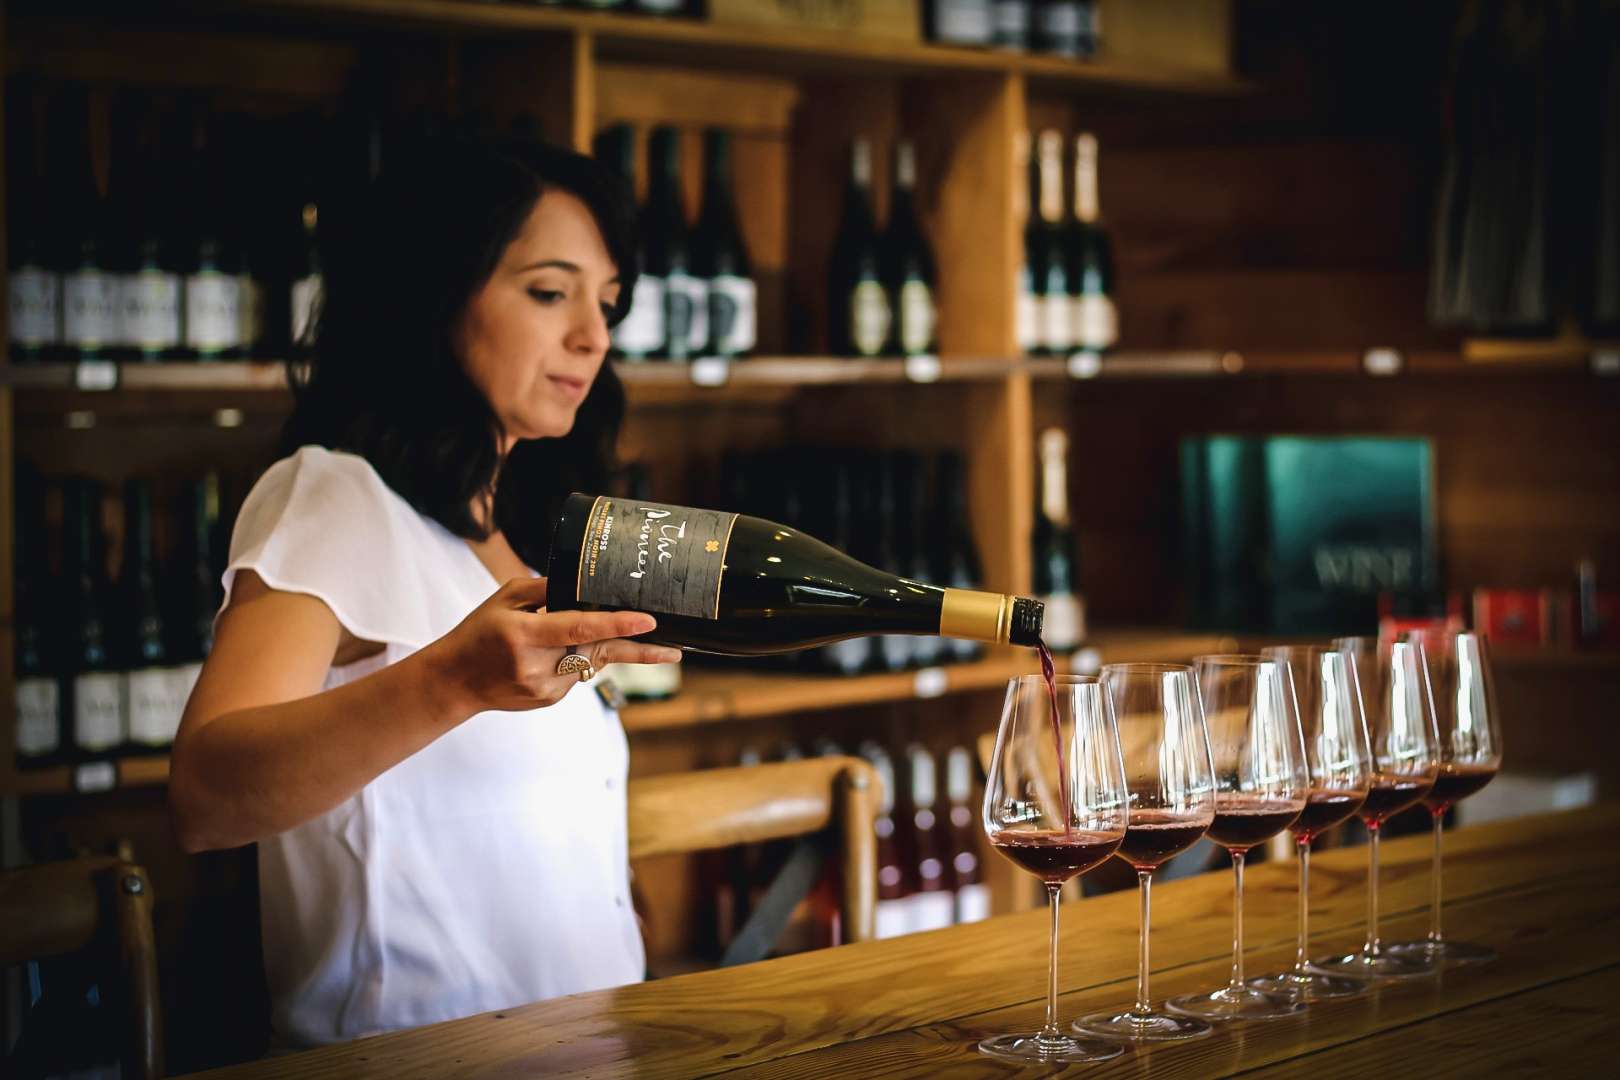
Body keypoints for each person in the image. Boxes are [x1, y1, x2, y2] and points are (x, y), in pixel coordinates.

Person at [167, 136, 682, 1049]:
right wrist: (451, 682)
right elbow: (206, 796)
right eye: (549, 292)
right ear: (438, 295)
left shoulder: (508, 525)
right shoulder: (331, 494)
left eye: (605, 303)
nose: (593, 336)